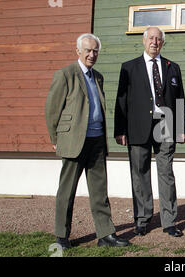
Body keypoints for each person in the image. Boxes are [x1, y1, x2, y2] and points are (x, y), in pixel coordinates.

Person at [45, 33, 130, 249]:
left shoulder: (98, 76)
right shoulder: (65, 74)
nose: (91, 54)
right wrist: (55, 138)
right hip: (74, 142)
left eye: (95, 51)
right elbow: (52, 110)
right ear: (78, 51)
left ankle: (106, 235)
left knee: (100, 192)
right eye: (88, 50)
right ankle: (62, 237)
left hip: (97, 142)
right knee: (67, 192)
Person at [114, 26, 185, 237]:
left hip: (166, 125)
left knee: (166, 173)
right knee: (140, 174)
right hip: (137, 126)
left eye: (158, 39)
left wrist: (181, 128)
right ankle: (143, 219)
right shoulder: (129, 67)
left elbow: (180, 98)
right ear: (144, 40)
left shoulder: (173, 68)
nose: (155, 42)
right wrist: (120, 130)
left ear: (162, 43)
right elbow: (121, 100)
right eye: (151, 38)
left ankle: (169, 221)